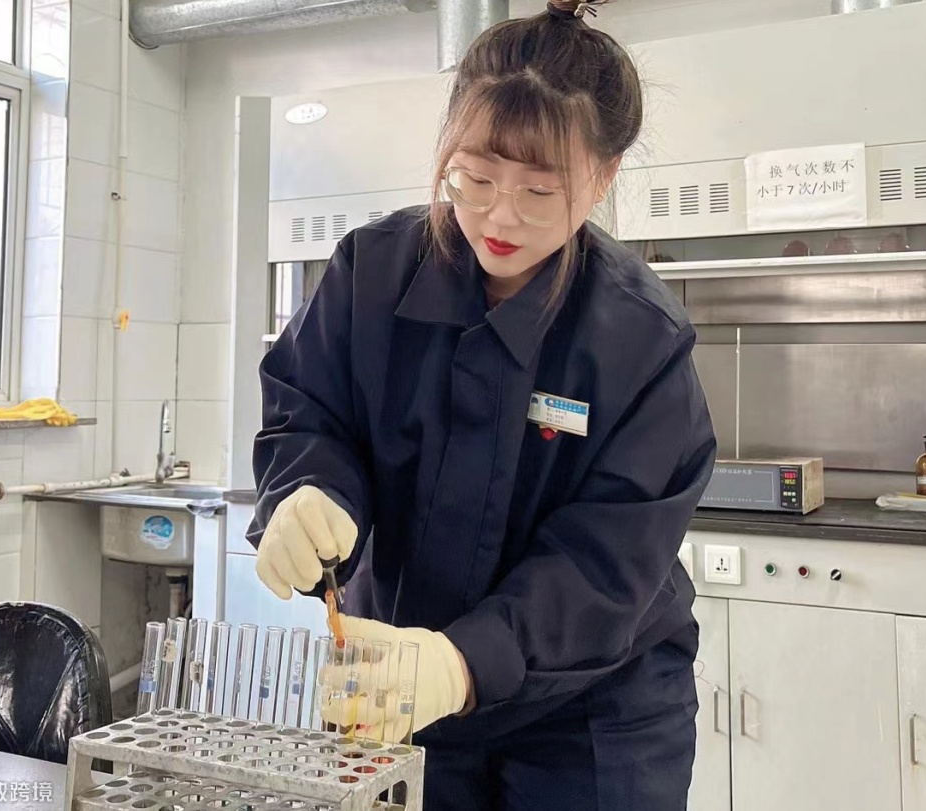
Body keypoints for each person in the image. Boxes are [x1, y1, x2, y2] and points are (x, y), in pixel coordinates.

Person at [247, 1, 717, 808]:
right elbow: (308, 410)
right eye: (476, 176)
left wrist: (465, 660)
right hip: (399, 683)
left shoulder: (640, 339)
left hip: (593, 710)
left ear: (602, 179)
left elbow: (606, 559)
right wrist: (304, 490)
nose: (500, 215)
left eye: (540, 190)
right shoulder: (371, 272)